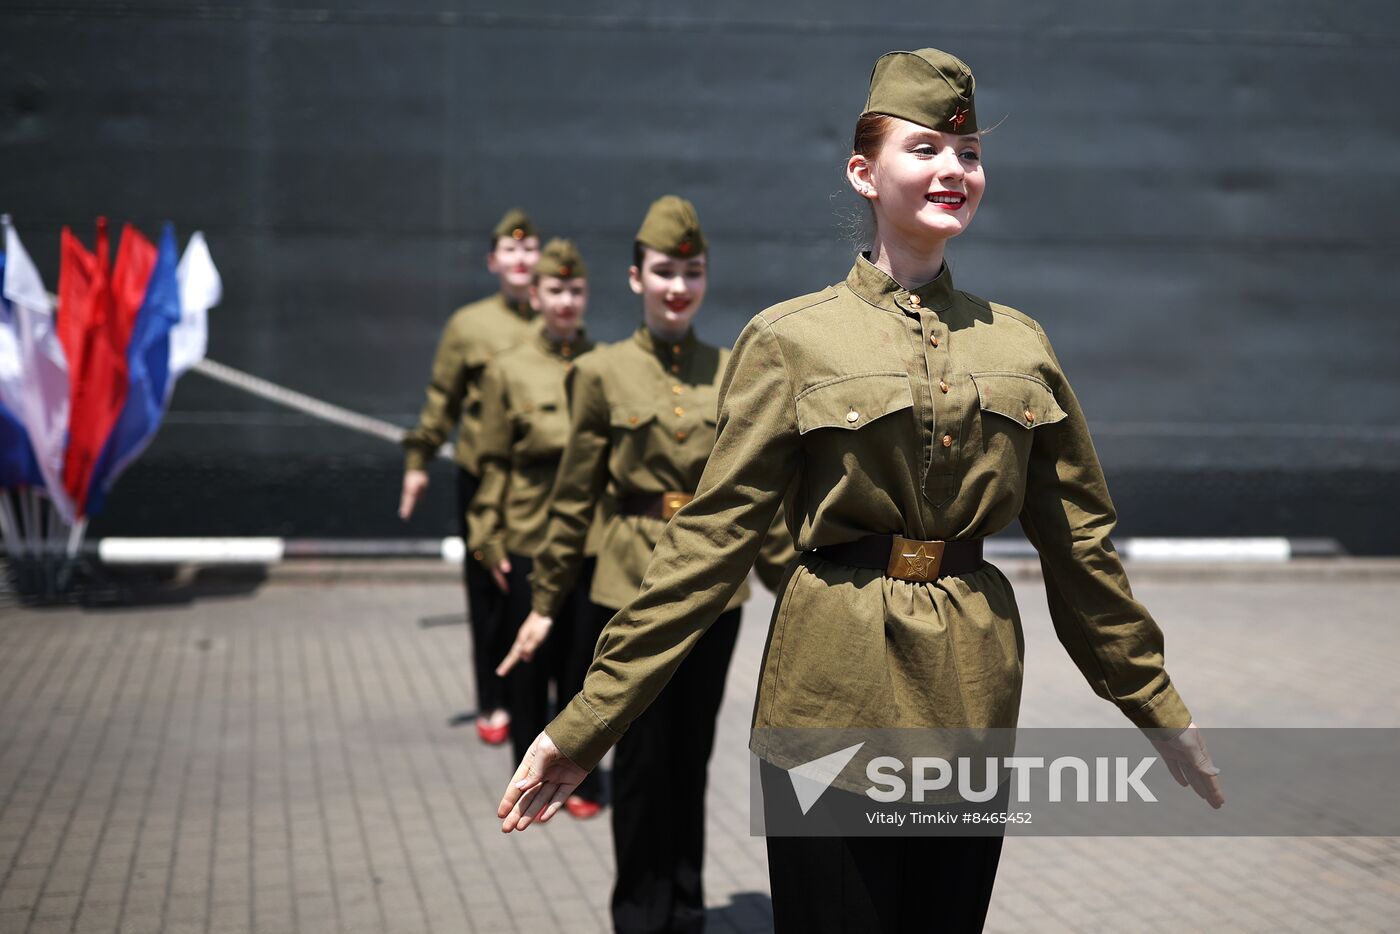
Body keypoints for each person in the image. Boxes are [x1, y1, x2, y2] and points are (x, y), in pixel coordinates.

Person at [499, 49, 1225, 933]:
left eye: (968, 155)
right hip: (830, 699)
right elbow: (710, 543)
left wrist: (1152, 703)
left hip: (971, 699)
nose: (953, 171)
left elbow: (1080, 549)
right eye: (924, 149)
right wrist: (587, 723)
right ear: (863, 172)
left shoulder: (1021, 346)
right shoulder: (791, 342)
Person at [498, 195, 796, 934]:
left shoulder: (732, 371)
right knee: (636, 765)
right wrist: (543, 605)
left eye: (691, 272)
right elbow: (573, 503)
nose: (678, 286)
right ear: (636, 277)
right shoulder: (599, 374)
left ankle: (686, 911)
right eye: (664, 271)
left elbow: (750, 501)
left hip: (713, 600)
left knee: (689, 759)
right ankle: (639, 914)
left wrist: (797, 590)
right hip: (626, 591)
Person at [468, 238, 606, 817]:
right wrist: (487, 535)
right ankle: (526, 778)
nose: (566, 300)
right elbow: (492, 460)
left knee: (584, 664)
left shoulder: (604, 364)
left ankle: (579, 781)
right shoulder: (510, 370)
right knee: (530, 670)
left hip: (592, 542)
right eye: (555, 290)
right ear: (536, 294)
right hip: (529, 538)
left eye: (575, 289)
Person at [400, 208, 541, 745]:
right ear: (492, 262)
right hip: (482, 480)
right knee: (487, 592)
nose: (522, 259)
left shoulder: (558, 322)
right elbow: (443, 401)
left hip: (539, 486)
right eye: (511, 250)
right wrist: (418, 463)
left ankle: (533, 690)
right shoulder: (469, 326)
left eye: (530, 250)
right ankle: (493, 698)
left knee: (536, 591)